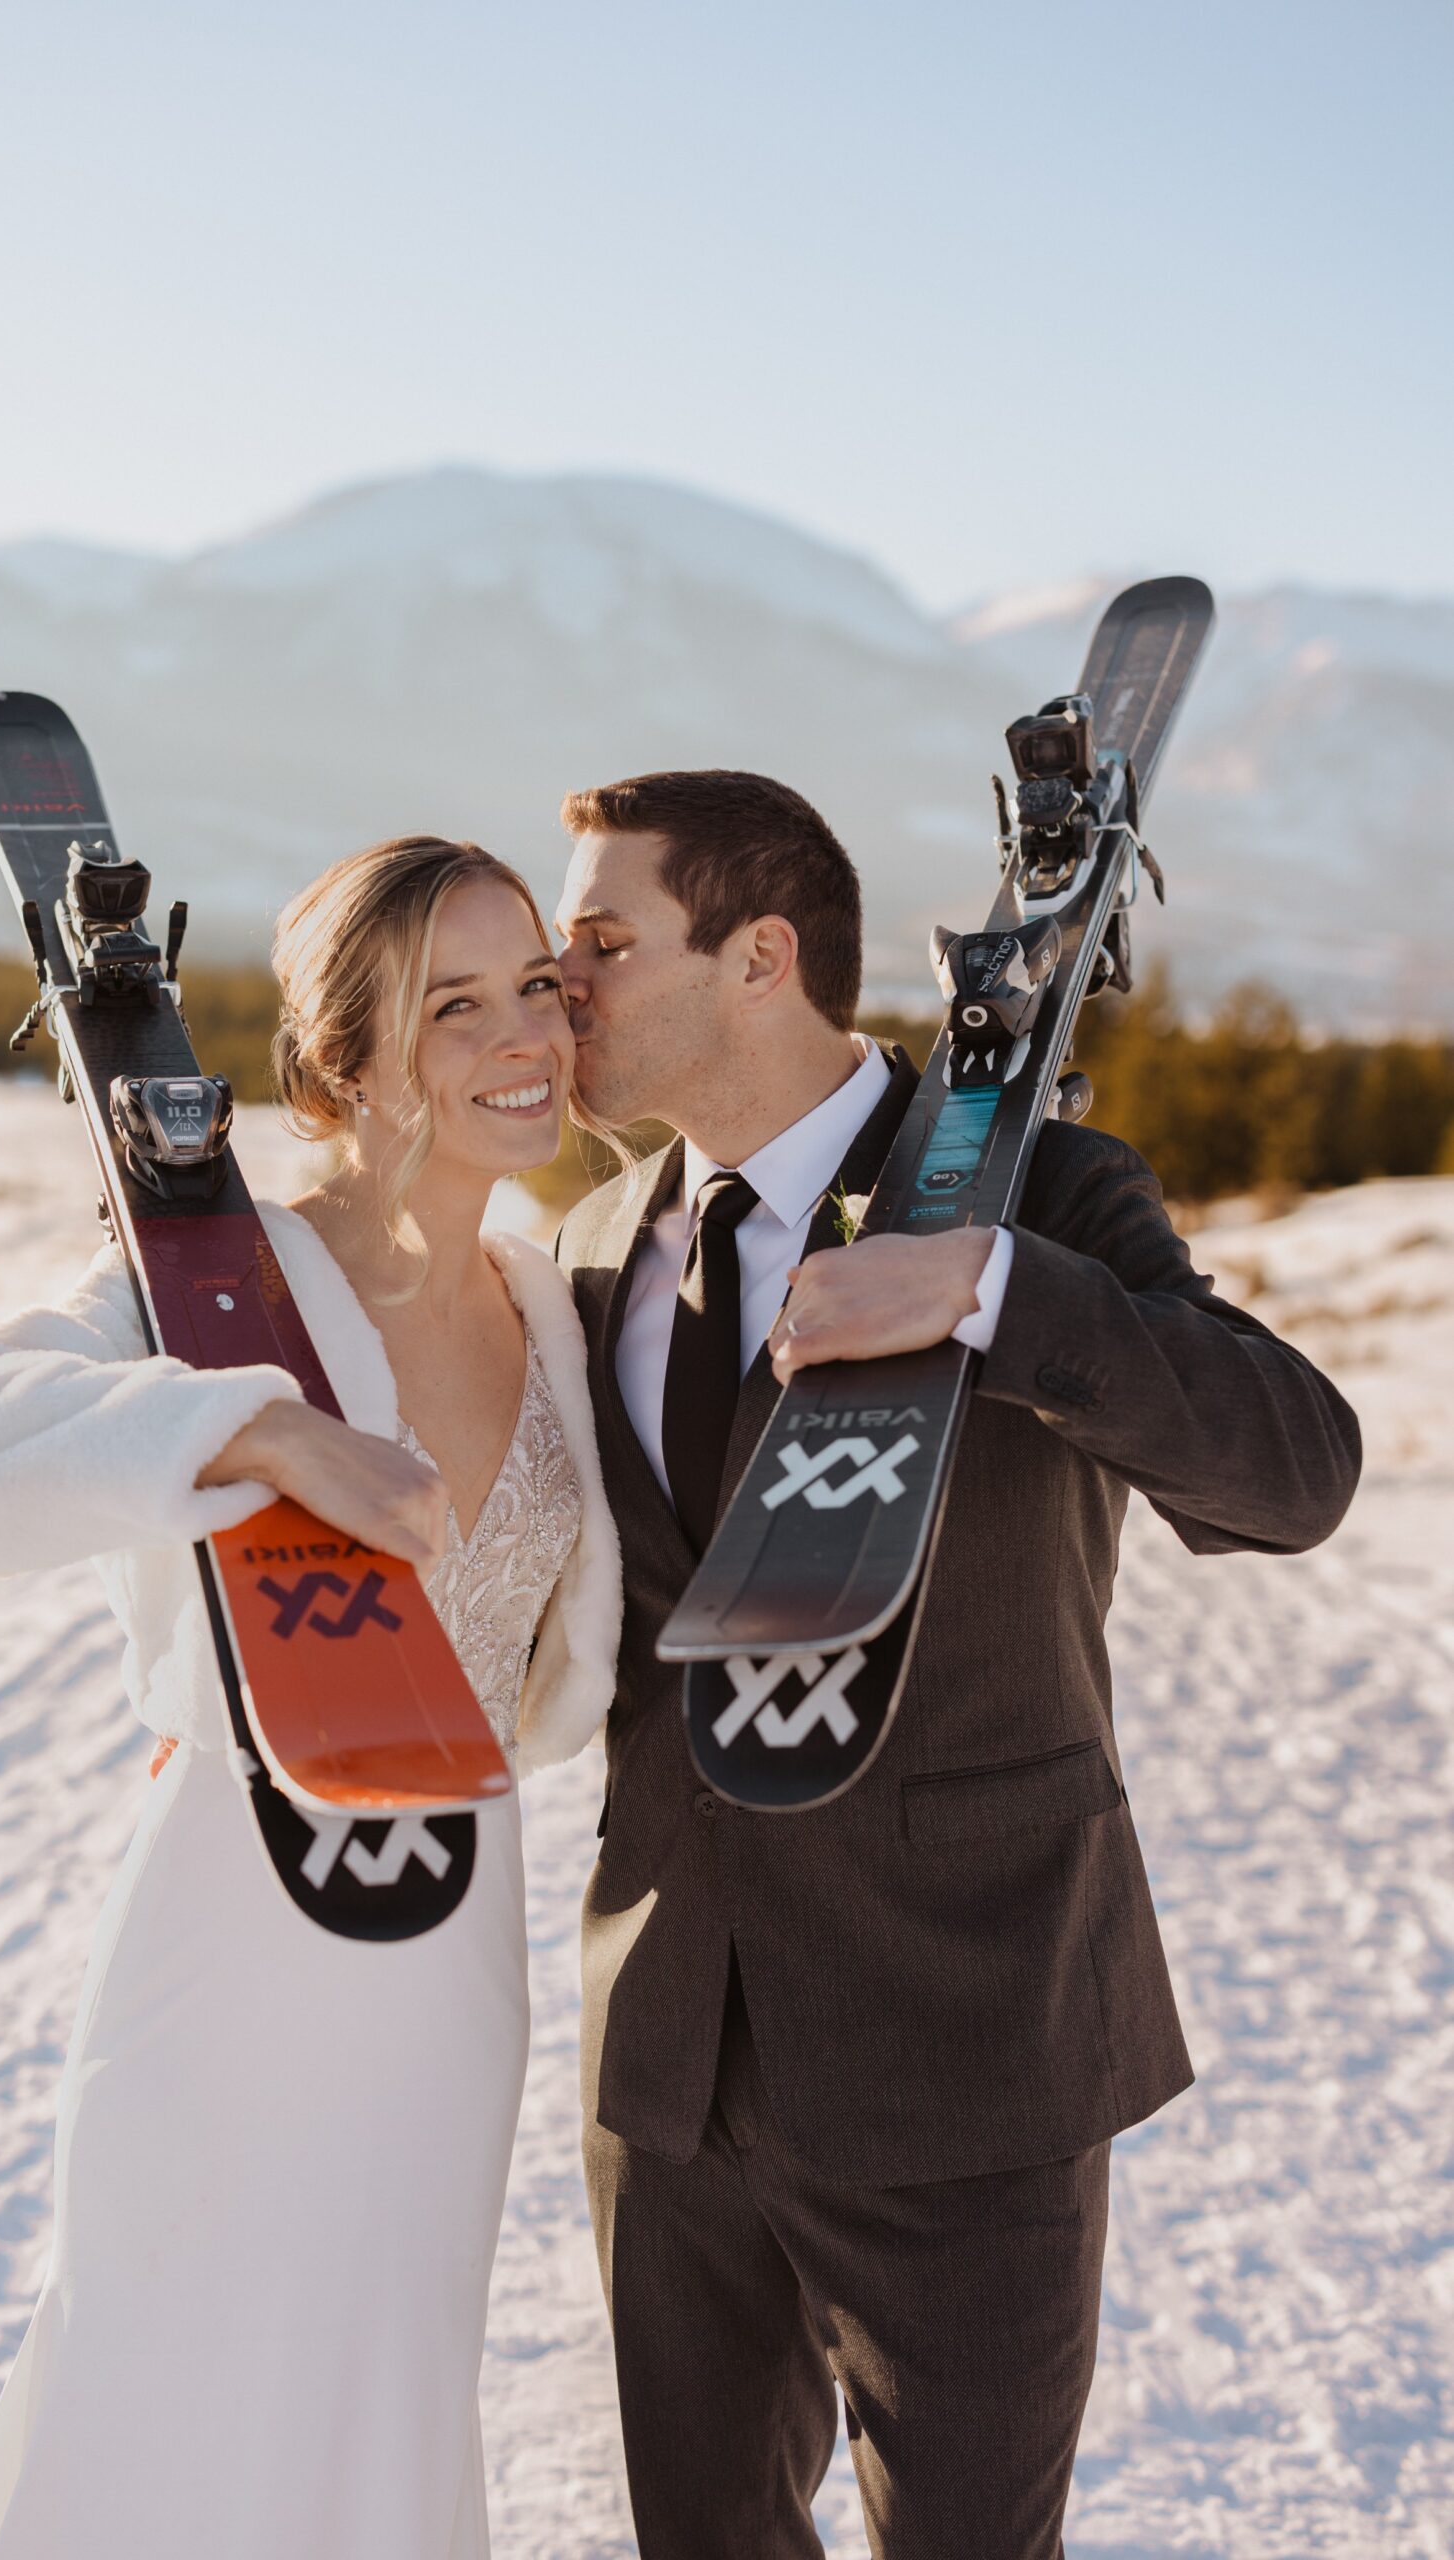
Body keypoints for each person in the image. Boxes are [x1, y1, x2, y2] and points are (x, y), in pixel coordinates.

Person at [551, 768, 1361, 2560]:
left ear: (759, 956)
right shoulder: (596, 1244)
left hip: (966, 2038)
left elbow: (1294, 1475)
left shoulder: (1037, 1189)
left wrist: (994, 1292)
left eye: (601, 938)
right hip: (672, 2054)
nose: (561, 980)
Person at [0, 837, 621, 2560]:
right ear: (338, 1068)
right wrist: (264, 1426)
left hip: (455, 1939)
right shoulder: (221, 1278)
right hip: (233, 1924)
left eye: (536, 984)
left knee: (387, 2379)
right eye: (454, 1005)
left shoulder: (557, 1298)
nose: (525, 1032)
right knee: (176, 2372)